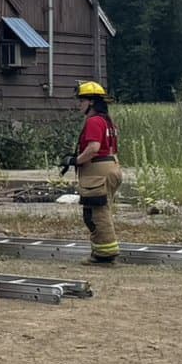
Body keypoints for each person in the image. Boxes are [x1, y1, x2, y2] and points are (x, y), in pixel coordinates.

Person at [70, 81, 123, 266]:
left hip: (97, 171)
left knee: (96, 213)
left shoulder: (94, 121)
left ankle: (104, 255)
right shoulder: (108, 121)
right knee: (100, 210)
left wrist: (75, 160)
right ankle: (102, 251)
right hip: (111, 167)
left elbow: (93, 148)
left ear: (91, 102)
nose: (79, 104)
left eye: (81, 100)